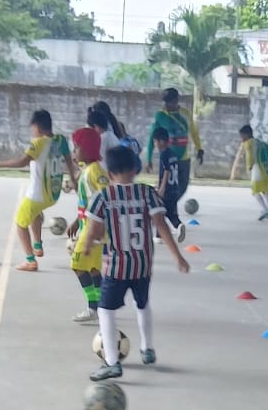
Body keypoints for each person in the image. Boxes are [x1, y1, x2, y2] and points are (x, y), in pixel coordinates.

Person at [79, 144, 190, 379]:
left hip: (116, 267)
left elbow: (93, 229)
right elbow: (161, 226)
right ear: (135, 169)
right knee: (142, 304)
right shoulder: (147, 194)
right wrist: (178, 257)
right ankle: (147, 348)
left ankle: (111, 362)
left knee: (105, 310)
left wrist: (87, 245)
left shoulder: (103, 197)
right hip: (142, 265)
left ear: (110, 173)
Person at [0, 110, 71, 272]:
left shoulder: (38, 143)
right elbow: (68, 161)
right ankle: (37, 246)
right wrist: (73, 180)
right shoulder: (60, 140)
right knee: (35, 213)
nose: (31, 131)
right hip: (53, 194)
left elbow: (22, 162)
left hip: (37, 195)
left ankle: (30, 261)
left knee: (20, 223)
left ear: (37, 127)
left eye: (32, 128)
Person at [145, 87, 203, 240]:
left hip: (183, 158)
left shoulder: (185, 114)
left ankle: (165, 216)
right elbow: (152, 136)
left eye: (169, 102)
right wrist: (148, 157)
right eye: (165, 102)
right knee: (168, 194)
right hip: (168, 157)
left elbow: (193, 132)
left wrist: (199, 148)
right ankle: (165, 221)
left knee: (180, 189)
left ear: (176, 101)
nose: (166, 105)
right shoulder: (160, 115)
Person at [69, 126, 110, 326]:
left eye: (77, 147)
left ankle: (94, 307)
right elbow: (87, 202)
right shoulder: (87, 169)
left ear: (86, 149)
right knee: (93, 268)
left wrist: (100, 226)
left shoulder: (95, 171)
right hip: (87, 226)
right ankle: (102, 307)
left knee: (77, 265)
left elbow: (107, 195)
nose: (74, 151)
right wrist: (77, 221)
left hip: (93, 230)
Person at [230, 124, 268, 221]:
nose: (241, 138)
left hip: (257, 168)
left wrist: (249, 166)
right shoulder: (260, 143)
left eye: (242, 135)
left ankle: (265, 209)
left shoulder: (248, 143)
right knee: (265, 191)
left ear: (246, 135)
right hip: (266, 169)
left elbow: (249, 155)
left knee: (255, 191)